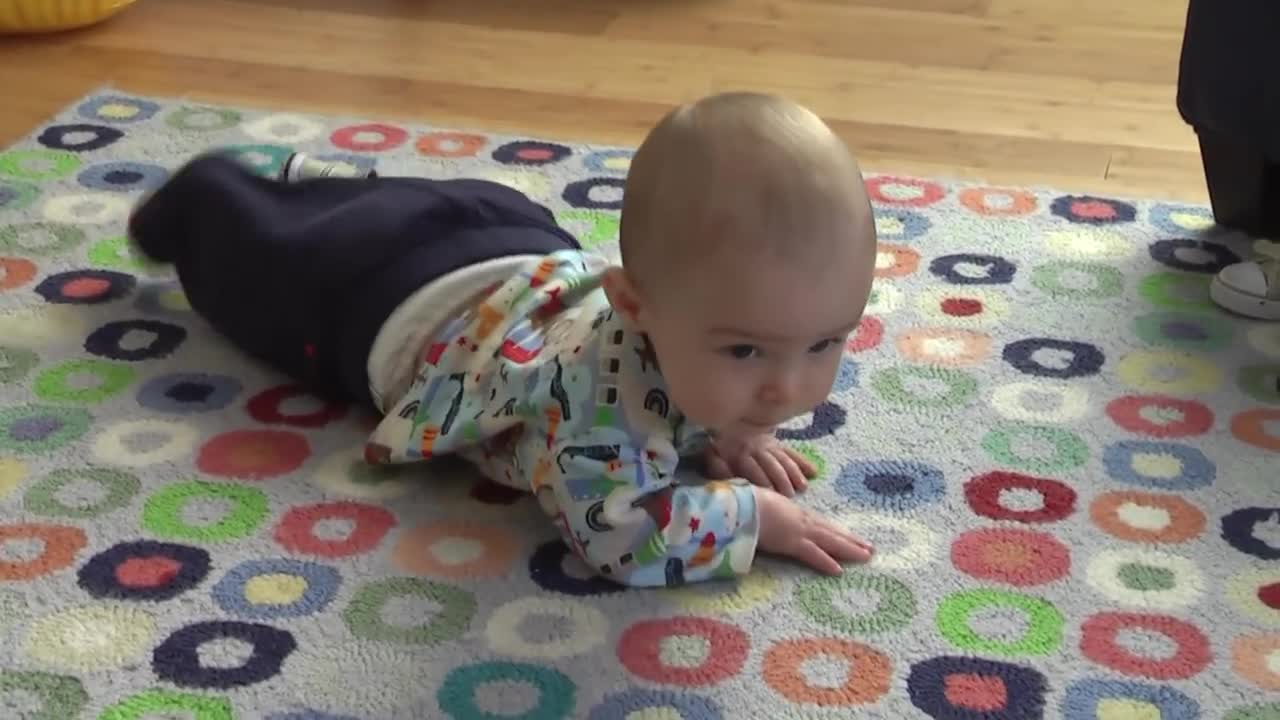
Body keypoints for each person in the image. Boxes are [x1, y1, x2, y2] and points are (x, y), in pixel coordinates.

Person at [127, 91, 879, 588]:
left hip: (519, 245)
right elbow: (618, 532)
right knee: (257, 259)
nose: (788, 387)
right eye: (746, 351)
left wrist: (727, 424)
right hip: (384, 300)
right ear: (632, 303)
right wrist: (755, 516)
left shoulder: (692, 319)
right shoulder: (598, 414)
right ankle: (217, 190)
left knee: (400, 203)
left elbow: (695, 377)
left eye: (825, 343)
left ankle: (315, 180)